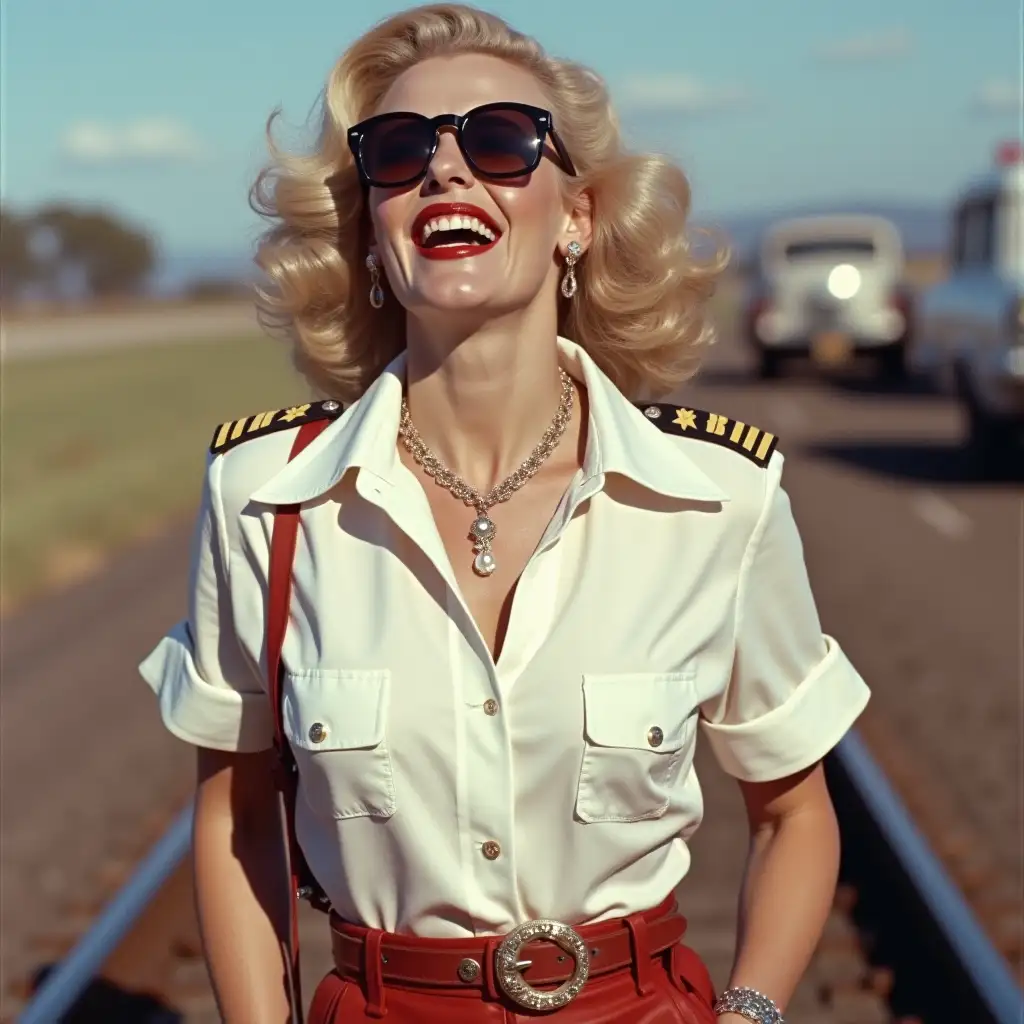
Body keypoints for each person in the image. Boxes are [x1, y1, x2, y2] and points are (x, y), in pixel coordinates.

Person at [139, 4, 870, 1022]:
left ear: (576, 215)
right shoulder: (264, 499)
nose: (444, 172)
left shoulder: (718, 498)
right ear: (372, 231)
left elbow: (794, 815)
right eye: (399, 153)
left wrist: (745, 1014)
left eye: (497, 141)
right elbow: (235, 819)